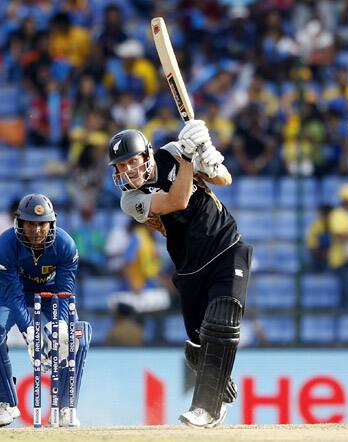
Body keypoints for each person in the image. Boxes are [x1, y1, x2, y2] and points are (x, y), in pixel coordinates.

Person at [107, 121, 253, 428]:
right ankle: (217, 382)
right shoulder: (130, 201)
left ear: (147, 155)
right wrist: (189, 159)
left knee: (221, 323)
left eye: (133, 161)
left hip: (225, 245)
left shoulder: (172, 152)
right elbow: (177, 201)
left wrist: (209, 158)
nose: (129, 170)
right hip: (189, 266)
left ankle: (206, 408)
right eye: (122, 166)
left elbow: (224, 179)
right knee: (199, 346)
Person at [0, 193, 92, 427]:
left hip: (51, 291)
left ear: (51, 224)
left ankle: (66, 407)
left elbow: (65, 290)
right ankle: (5, 404)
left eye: (41, 224)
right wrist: (31, 334)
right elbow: (14, 295)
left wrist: (61, 328)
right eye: (30, 224)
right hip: (10, 291)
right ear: (20, 223)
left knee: (75, 336)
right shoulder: (4, 245)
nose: (36, 231)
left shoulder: (65, 245)